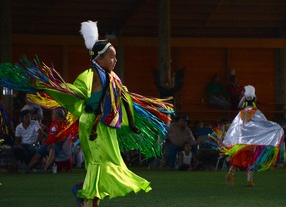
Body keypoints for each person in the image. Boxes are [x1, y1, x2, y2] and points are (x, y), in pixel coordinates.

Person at [0, 21, 173, 206]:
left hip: (107, 127)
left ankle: (84, 191)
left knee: (110, 165)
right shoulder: (90, 75)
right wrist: (45, 85)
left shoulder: (113, 77)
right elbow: (73, 92)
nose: (115, 60)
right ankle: (88, 201)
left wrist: (131, 124)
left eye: (115, 57)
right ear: (99, 59)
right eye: (111, 57)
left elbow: (124, 100)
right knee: (98, 164)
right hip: (92, 125)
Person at [223, 85, 285, 187]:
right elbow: (264, 125)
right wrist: (276, 127)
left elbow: (235, 128)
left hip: (241, 142)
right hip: (252, 142)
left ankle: (230, 173)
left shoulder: (241, 114)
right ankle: (249, 181)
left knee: (238, 159)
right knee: (251, 160)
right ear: (254, 99)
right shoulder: (257, 113)